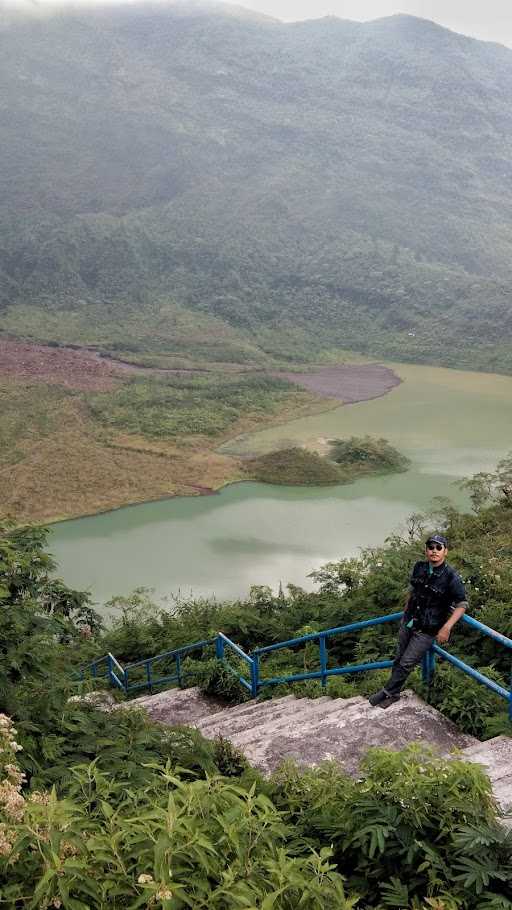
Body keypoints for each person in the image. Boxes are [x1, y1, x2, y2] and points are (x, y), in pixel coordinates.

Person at [368, 533, 468, 709]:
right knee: (399, 658)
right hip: (409, 621)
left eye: (439, 547)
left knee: (407, 663)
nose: (434, 551)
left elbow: (462, 604)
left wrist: (447, 627)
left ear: (446, 552)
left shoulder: (451, 576)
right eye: (431, 547)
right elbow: (413, 590)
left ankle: (385, 693)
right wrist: (406, 610)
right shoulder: (419, 567)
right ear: (426, 550)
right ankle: (394, 693)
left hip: (429, 628)